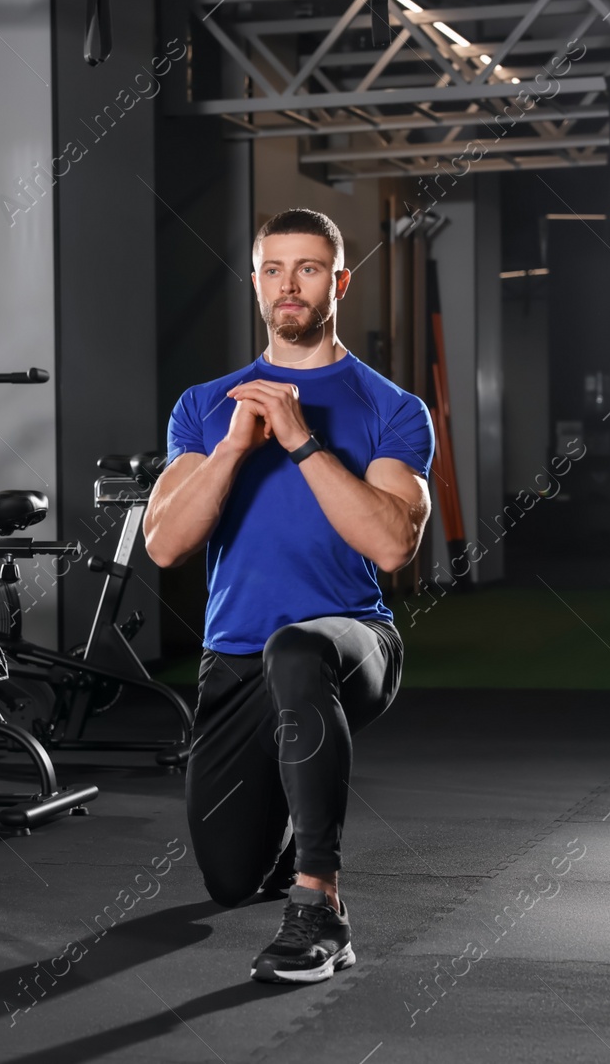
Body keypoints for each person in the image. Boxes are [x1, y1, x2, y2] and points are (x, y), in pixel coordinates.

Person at [142, 208, 434, 984]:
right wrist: (237, 445)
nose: (288, 286)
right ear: (255, 281)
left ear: (338, 282)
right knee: (228, 880)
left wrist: (302, 441)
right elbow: (166, 543)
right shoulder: (205, 406)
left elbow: (392, 543)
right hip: (235, 661)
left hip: (350, 645)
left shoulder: (391, 407)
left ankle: (320, 904)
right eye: (273, 269)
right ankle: (275, 837)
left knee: (297, 648)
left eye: (307, 269)